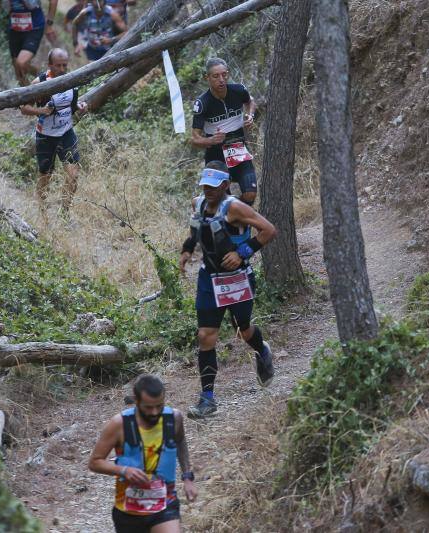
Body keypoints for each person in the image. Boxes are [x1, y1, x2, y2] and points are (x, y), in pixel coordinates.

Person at [179, 161, 277, 419]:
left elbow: (268, 230)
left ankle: (262, 350)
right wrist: (187, 249)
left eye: (213, 186)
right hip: (209, 279)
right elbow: (197, 230)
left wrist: (242, 252)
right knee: (205, 335)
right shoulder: (197, 203)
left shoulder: (234, 207)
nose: (208, 190)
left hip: (236, 280)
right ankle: (207, 398)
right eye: (205, 185)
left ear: (225, 185)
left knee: (243, 329)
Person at [89, 374, 197, 533]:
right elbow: (95, 462)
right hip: (128, 510)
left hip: (165, 503)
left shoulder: (174, 418)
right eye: (148, 407)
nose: (154, 412)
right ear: (136, 400)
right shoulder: (119, 424)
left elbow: (180, 442)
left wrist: (188, 477)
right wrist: (124, 470)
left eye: (159, 406)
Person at [20, 48, 88, 218]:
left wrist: (80, 106)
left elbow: (71, 103)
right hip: (46, 136)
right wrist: (42, 111)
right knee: (45, 176)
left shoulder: (71, 80)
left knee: (73, 175)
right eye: (58, 65)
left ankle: (64, 214)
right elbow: (24, 108)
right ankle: (42, 214)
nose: (62, 69)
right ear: (50, 65)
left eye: (65, 65)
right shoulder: (40, 82)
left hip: (66, 133)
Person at [191, 58, 258, 206]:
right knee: (220, 203)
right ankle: (212, 210)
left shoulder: (238, 90)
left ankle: (235, 214)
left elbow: (250, 101)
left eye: (224, 75)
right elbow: (194, 139)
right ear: (207, 78)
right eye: (216, 76)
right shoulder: (202, 103)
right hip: (216, 158)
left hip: (239, 151)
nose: (221, 80)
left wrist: (250, 115)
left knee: (250, 194)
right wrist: (211, 141)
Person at [0, 0, 59, 86]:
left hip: (34, 27)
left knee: (21, 63)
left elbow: (54, 1)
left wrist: (49, 25)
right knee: (17, 69)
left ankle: (43, 78)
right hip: (15, 29)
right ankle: (30, 96)